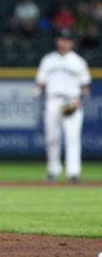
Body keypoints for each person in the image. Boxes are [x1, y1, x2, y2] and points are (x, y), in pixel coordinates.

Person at [34, 29, 91, 182]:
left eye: (67, 39)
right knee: (51, 137)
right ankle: (53, 169)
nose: (64, 42)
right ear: (57, 41)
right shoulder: (48, 60)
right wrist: (38, 89)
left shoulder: (79, 61)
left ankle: (73, 172)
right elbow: (40, 81)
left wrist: (81, 98)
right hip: (53, 100)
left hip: (71, 101)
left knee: (72, 137)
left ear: (72, 42)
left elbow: (85, 86)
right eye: (61, 39)